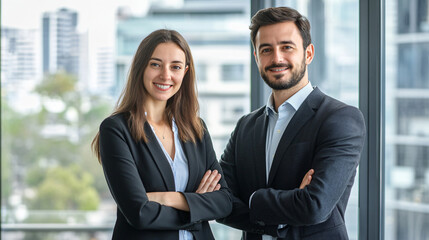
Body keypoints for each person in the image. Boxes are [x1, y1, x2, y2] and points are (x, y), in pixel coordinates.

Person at [217, 7, 366, 240]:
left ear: (308, 54)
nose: (277, 58)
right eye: (266, 50)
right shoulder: (245, 126)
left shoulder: (341, 118)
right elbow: (219, 201)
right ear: (256, 57)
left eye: (287, 47)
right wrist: (287, 206)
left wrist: (254, 199)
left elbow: (314, 206)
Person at [92, 29, 232, 240]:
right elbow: (139, 213)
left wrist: (167, 198)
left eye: (175, 67)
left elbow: (224, 202)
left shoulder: (196, 129)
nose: (165, 75)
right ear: (141, 68)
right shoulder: (116, 130)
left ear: (184, 73)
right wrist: (197, 207)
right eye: (155, 64)